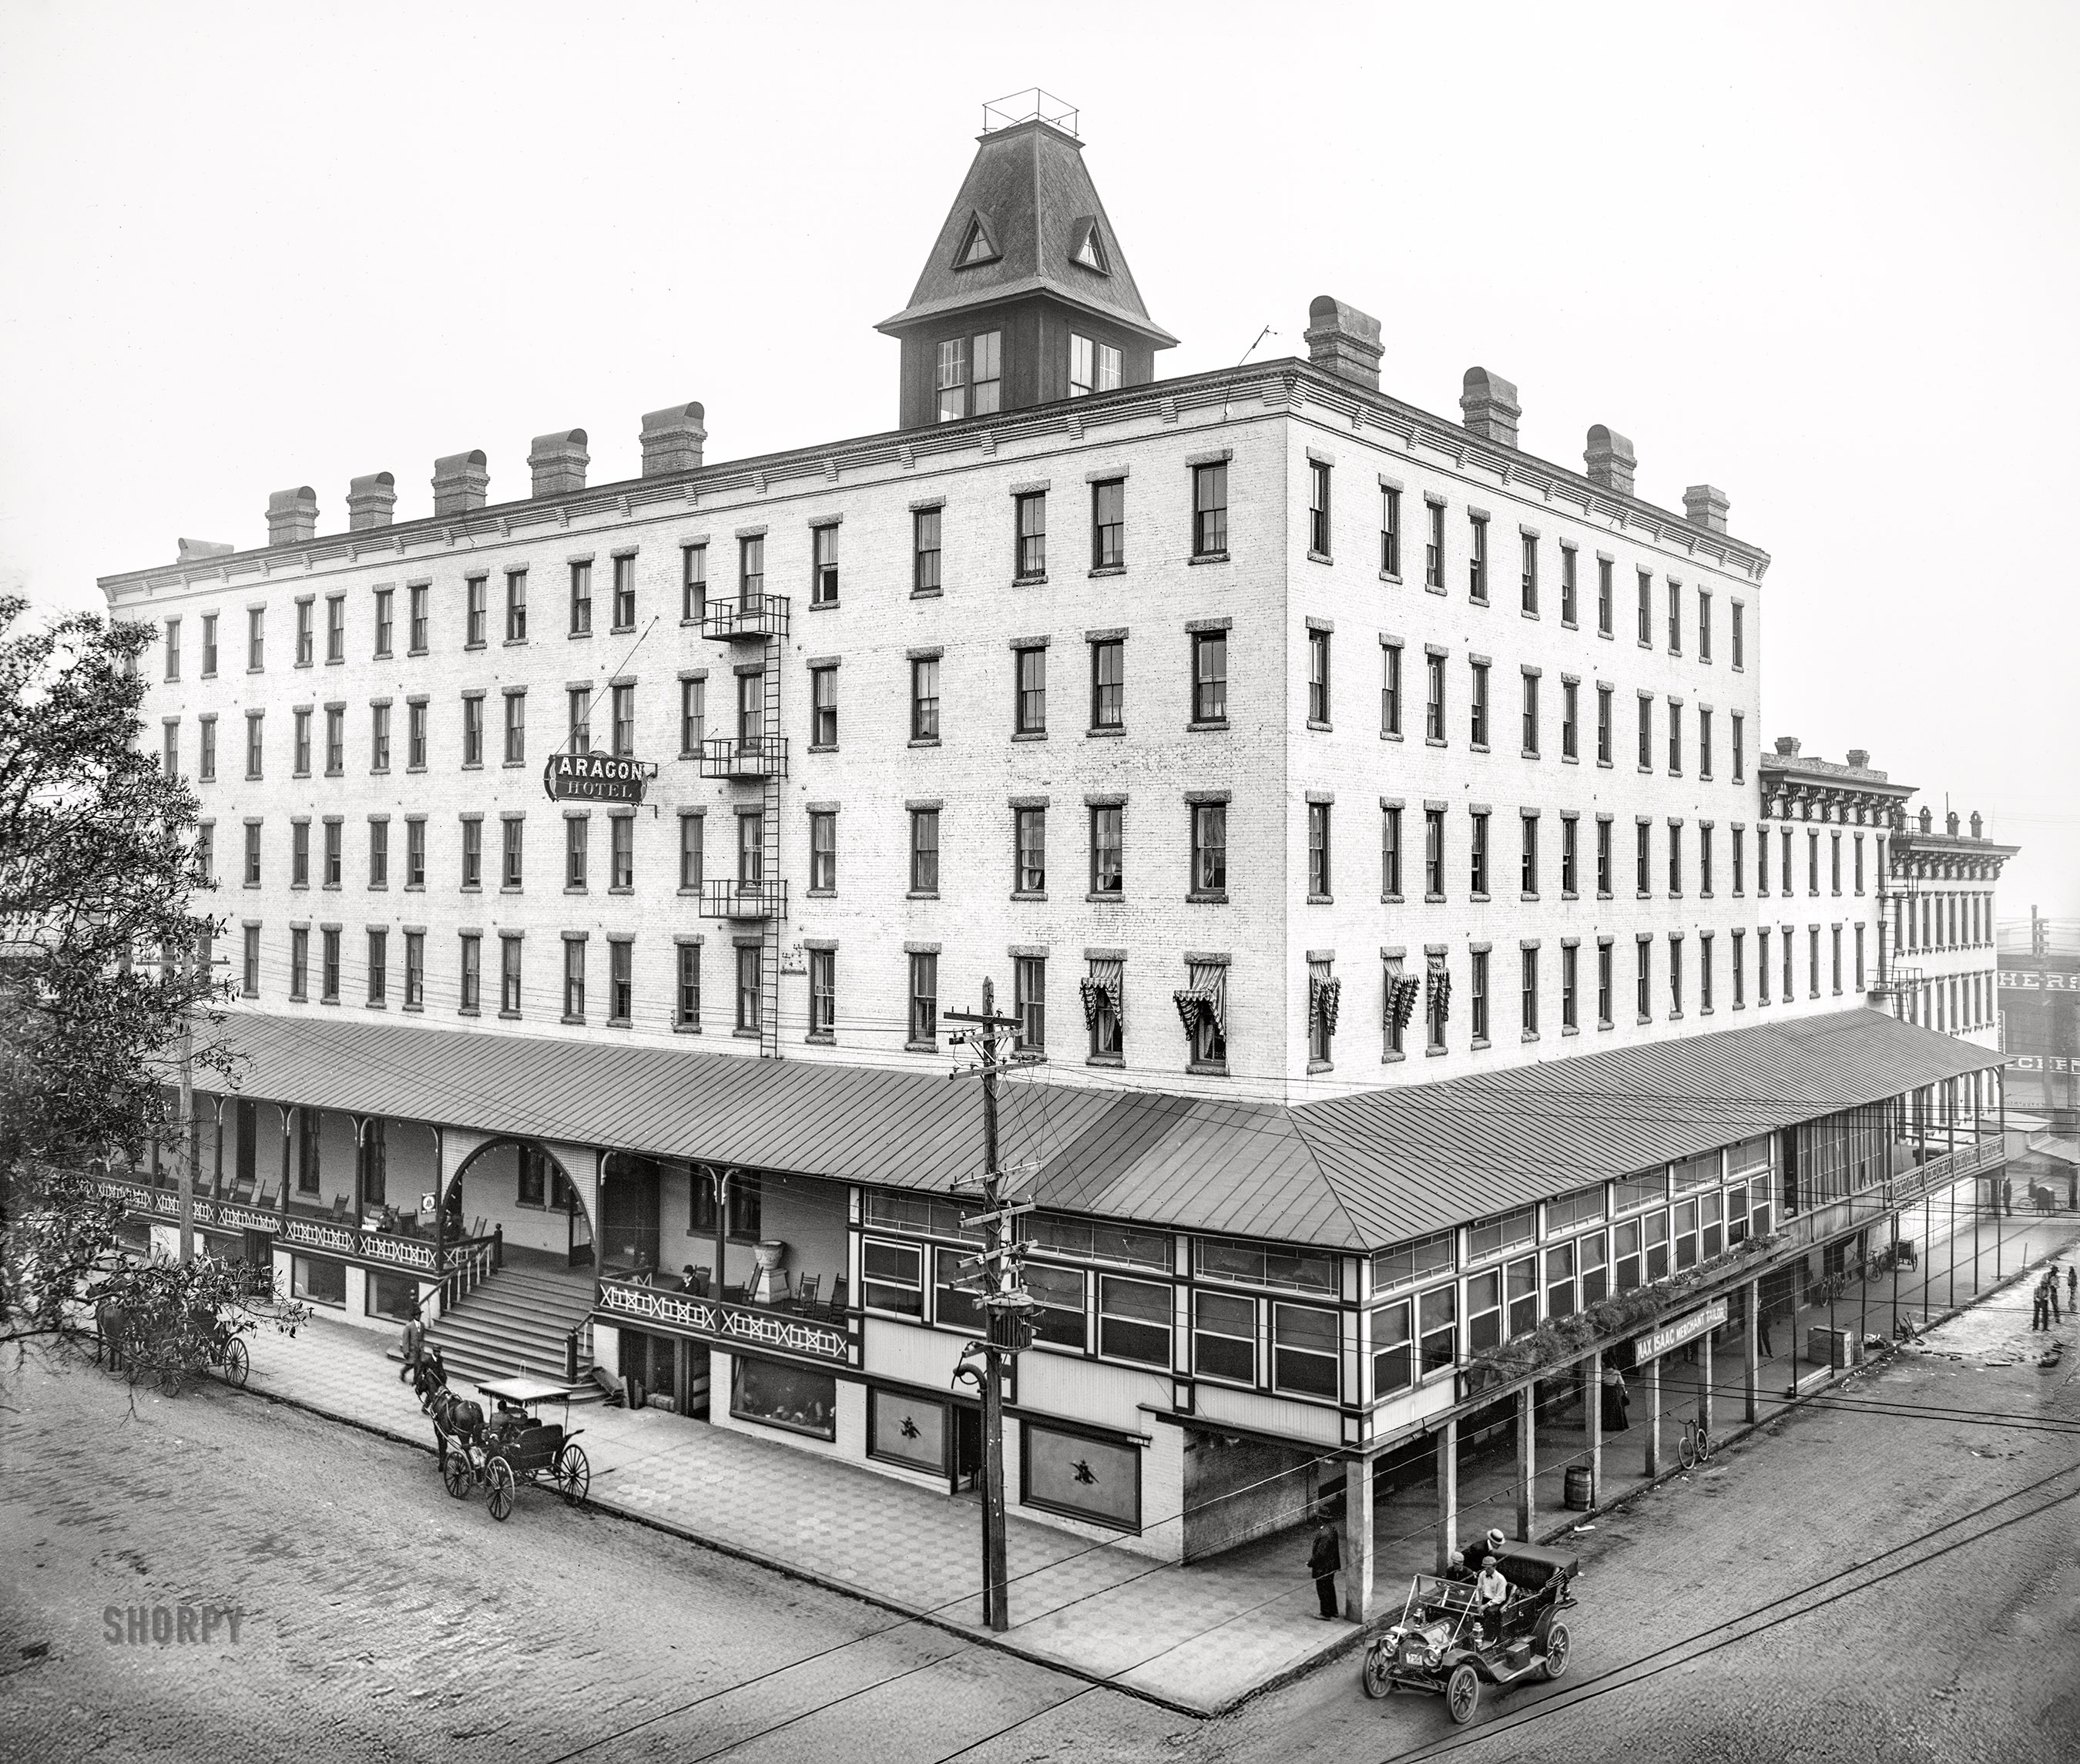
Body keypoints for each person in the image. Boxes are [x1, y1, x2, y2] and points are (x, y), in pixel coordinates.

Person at [1308, 1517, 1341, 1621]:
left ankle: (1325, 1613)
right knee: (1330, 1587)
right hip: (1331, 1566)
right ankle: (1334, 1611)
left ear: (1320, 1519)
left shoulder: (1324, 1533)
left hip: (1323, 1568)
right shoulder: (1332, 1529)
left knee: (1323, 1589)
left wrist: (1311, 1563)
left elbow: (1320, 1553)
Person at [398, 1306, 425, 1383]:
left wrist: (422, 1347)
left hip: (419, 1350)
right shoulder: (409, 1326)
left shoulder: (422, 1325)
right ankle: (403, 1372)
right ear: (414, 1316)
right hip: (412, 1349)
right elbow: (405, 1339)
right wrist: (406, 1351)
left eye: (419, 1315)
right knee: (411, 1364)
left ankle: (416, 1380)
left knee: (419, 1365)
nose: (418, 1316)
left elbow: (422, 1338)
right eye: (417, 1315)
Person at [1601, 1363, 1631, 1433]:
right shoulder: (1617, 1372)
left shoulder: (1602, 1372)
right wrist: (1624, 1392)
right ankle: (1617, 1425)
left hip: (1606, 1391)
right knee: (1616, 1408)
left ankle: (1606, 1425)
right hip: (1614, 1391)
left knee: (1606, 1407)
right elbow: (1622, 1384)